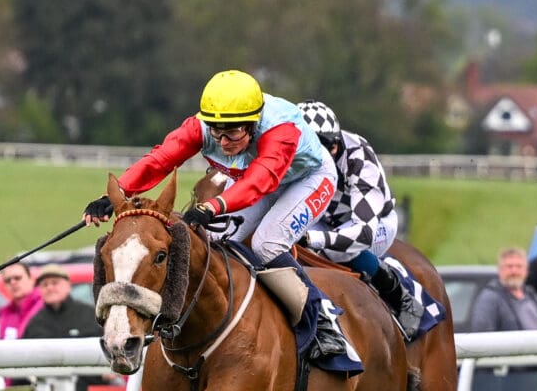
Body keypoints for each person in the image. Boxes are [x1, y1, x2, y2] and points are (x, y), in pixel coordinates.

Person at [81, 69, 349, 362]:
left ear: (253, 122)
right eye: (216, 132)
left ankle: (322, 317)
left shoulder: (279, 130)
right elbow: (160, 160)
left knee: (266, 244)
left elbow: (261, 181)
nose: (222, 143)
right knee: (215, 240)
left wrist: (214, 206)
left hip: (306, 179)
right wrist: (116, 192)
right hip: (254, 178)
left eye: (232, 133)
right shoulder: (200, 127)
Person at [290, 101, 425, 338]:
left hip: (374, 224)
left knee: (337, 250)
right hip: (324, 219)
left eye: (329, 150)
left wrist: (312, 237)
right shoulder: (290, 153)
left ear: (335, 145)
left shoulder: (358, 157)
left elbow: (362, 234)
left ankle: (400, 297)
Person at [467, 248, 537, 332]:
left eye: (519, 266)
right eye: (509, 266)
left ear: (526, 271)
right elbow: (482, 334)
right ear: (500, 270)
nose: (514, 271)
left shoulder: (534, 297)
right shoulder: (490, 299)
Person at [21, 264, 102, 340]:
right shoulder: (35, 323)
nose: (49, 288)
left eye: (54, 283)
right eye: (45, 284)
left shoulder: (90, 315)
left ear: (68, 286)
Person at [0, 262, 43, 341]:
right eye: (8, 280)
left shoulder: (45, 305)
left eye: (17, 278)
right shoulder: (5, 314)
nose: (13, 282)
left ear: (31, 279)